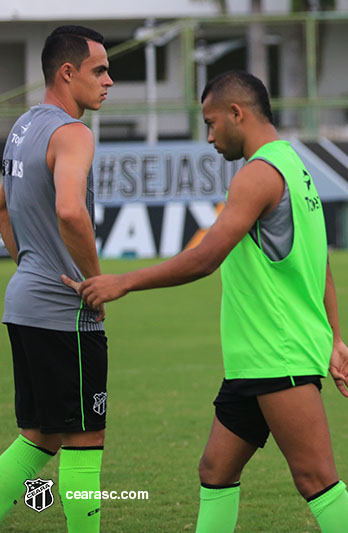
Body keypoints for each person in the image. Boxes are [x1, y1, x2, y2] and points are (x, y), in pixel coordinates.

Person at [62, 70, 348, 533]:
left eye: (210, 122)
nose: (208, 137)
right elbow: (320, 265)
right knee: (215, 470)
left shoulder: (258, 175)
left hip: (277, 355)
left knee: (316, 479)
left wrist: (124, 282)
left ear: (236, 113)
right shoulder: (294, 166)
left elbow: (205, 258)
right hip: (254, 359)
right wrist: (335, 338)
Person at [0, 25, 113, 532]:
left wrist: (28, 260)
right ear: (67, 73)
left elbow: (2, 205)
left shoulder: (24, 126)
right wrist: (95, 281)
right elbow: (70, 210)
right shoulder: (73, 133)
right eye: (99, 70)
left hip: (24, 303)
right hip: (64, 313)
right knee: (85, 439)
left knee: (40, 438)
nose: (109, 81)